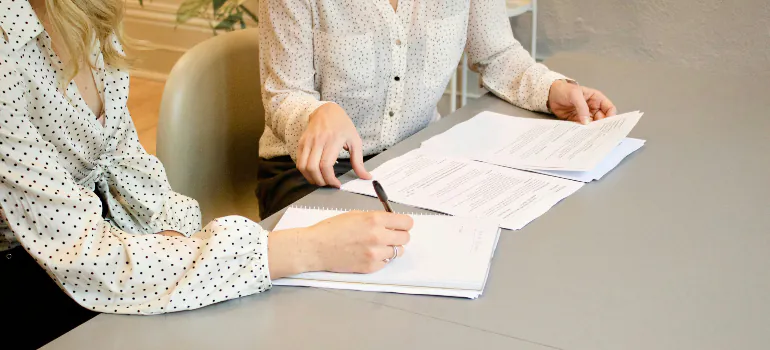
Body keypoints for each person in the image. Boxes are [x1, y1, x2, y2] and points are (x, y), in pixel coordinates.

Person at [0, 1, 413, 348]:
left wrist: (176, 239)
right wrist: (307, 249)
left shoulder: (90, 15)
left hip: (102, 245)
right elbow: (88, 258)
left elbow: (128, 166)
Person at [256, 0, 619, 218]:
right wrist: (315, 114)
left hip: (415, 159)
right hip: (311, 170)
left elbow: (498, 55)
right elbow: (284, 94)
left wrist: (552, 89)